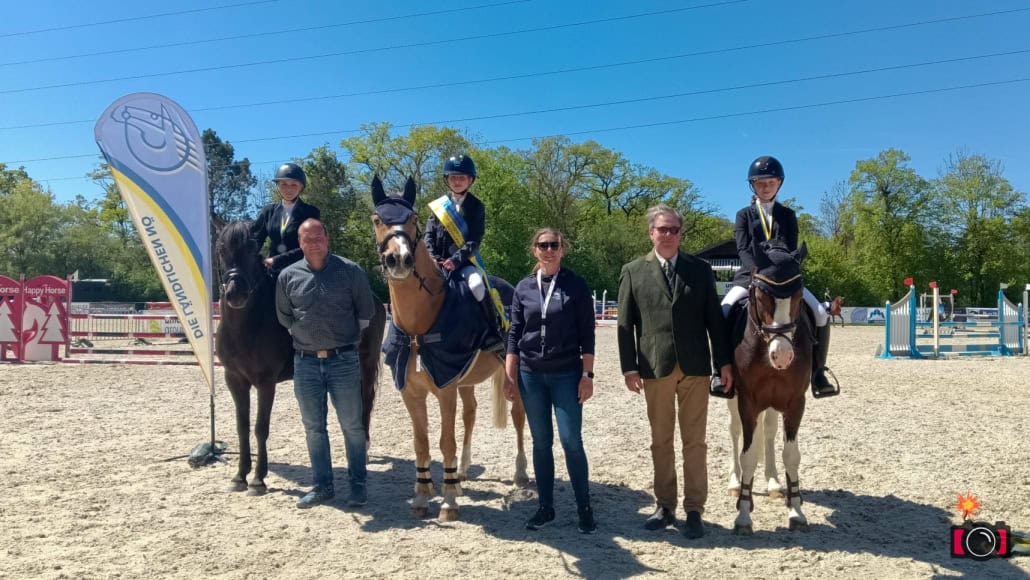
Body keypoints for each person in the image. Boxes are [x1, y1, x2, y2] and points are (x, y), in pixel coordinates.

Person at [616, 205, 733, 540]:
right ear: (651, 232)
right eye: (662, 229)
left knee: (695, 442)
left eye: (674, 230)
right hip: (655, 365)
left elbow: (714, 320)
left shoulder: (700, 270)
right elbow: (626, 326)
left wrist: (723, 362)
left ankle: (694, 508)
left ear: (681, 233)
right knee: (660, 441)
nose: (668, 235)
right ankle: (665, 505)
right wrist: (628, 367)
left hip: (696, 366)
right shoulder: (633, 271)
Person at [714, 155, 839, 398]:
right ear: (753, 185)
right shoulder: (744, 215)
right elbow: (742, 248)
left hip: (783, 278)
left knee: (821, 313)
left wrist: (778, 272)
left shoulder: (788, 215)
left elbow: (790, 249)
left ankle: (818, 373)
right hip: (751, 276)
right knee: (724, 311)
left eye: (770, 182)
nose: (766, 187)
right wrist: (756, 273)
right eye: (760, 183)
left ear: (779, 183)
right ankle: (719, 371)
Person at [275, 219, 376, 509]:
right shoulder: (287, 276)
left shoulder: (351, 271)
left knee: (352, 426)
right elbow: (284, 316)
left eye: (319, 236)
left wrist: (342, 338)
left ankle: (358, 485)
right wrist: (304, 334)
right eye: (308, 238)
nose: (314, 242)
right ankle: (322, 486)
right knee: (313, 428)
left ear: (327, 237)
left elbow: (365, 311)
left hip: (343, 361)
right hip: (305, 364)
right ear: (300, 242)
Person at [502, 228, 597, 534]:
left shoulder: (576, 286)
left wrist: (587, 375)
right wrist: (509, 375)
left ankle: (584, 507)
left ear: (562, 249)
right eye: (543, 245)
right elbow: (514, 334)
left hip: (566, 374)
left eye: (554, 245)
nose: (548, 249)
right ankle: (545, 507)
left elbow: (588, 334)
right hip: (530, 375)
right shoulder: (524, 288)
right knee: (541, 443)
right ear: (534, 250)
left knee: (571, 441)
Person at [424, 154, 501, 348]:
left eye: (462, 177)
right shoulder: (438, 207)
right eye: (453, 177)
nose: (457, 181)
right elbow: (428, 235)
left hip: (464, 264)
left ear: (470, 180)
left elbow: (474, 239)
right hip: (436, 263)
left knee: (477, 286)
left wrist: (456, 260)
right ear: (447, 179)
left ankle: (492, 331)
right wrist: (432, 255)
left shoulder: (476, 206)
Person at [251, 162, 321, 275]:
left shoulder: (311, 212)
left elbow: (309, 246)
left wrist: (277, 260)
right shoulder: (268, 211)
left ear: (301, 187)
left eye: (294, 185)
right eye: (283, 184)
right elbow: (256, 240)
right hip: (273, 271)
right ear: (277, 185)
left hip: (301, 271)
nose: (288, 189)